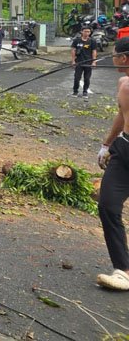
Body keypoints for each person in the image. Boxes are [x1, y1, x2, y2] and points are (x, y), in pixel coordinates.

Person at [95, 37, 129, 290]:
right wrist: (107, 144)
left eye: (115, 55)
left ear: (123, 57)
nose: (113, 59)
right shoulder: (123, 84)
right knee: (107, 205)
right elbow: (122, 114)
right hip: (124, 148)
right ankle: (123, 270)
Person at [71, 25, 97, 99]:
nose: (87, 33)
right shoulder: (76, 41)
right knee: (77, 78)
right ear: (82, 32)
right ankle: (75, 91)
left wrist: (94, 62)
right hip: (79, 62)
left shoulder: (92, 41)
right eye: (85, 31)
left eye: (88, 32)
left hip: (88, 62)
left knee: (87, 78)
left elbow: (94, 51)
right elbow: (73, 50)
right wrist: (73, 61)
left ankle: (85, 91)